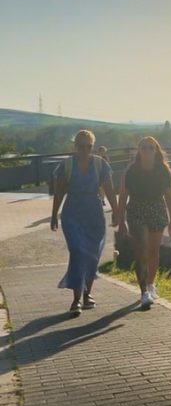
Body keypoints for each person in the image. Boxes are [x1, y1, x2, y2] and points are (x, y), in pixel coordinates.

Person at [51, 130, 118, 316]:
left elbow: (110, 190)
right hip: (72, 214)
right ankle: (76, 298)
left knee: (91, 256)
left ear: (92, 147)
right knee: (78, 252)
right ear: (75, 146)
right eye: (81, 146)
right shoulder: (66, 165)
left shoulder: (100, 164)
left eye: (88, 146)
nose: (85, 149)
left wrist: (117, 212)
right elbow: (59, 191)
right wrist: (53, 214)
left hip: (94, 215)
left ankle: (88, 293)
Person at [118, 137, 171, 309]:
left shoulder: (163, 171)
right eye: (144, 148)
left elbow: (170, 196)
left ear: (156, 150)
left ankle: (151, 284)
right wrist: (120, 221)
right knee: (141, 250)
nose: (147, 151)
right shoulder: (132, 171)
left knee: (153, 250)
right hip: (136, 210)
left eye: (151, 148)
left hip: (157, 209)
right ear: (139, 151)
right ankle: (144, 291)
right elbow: (123, 196)